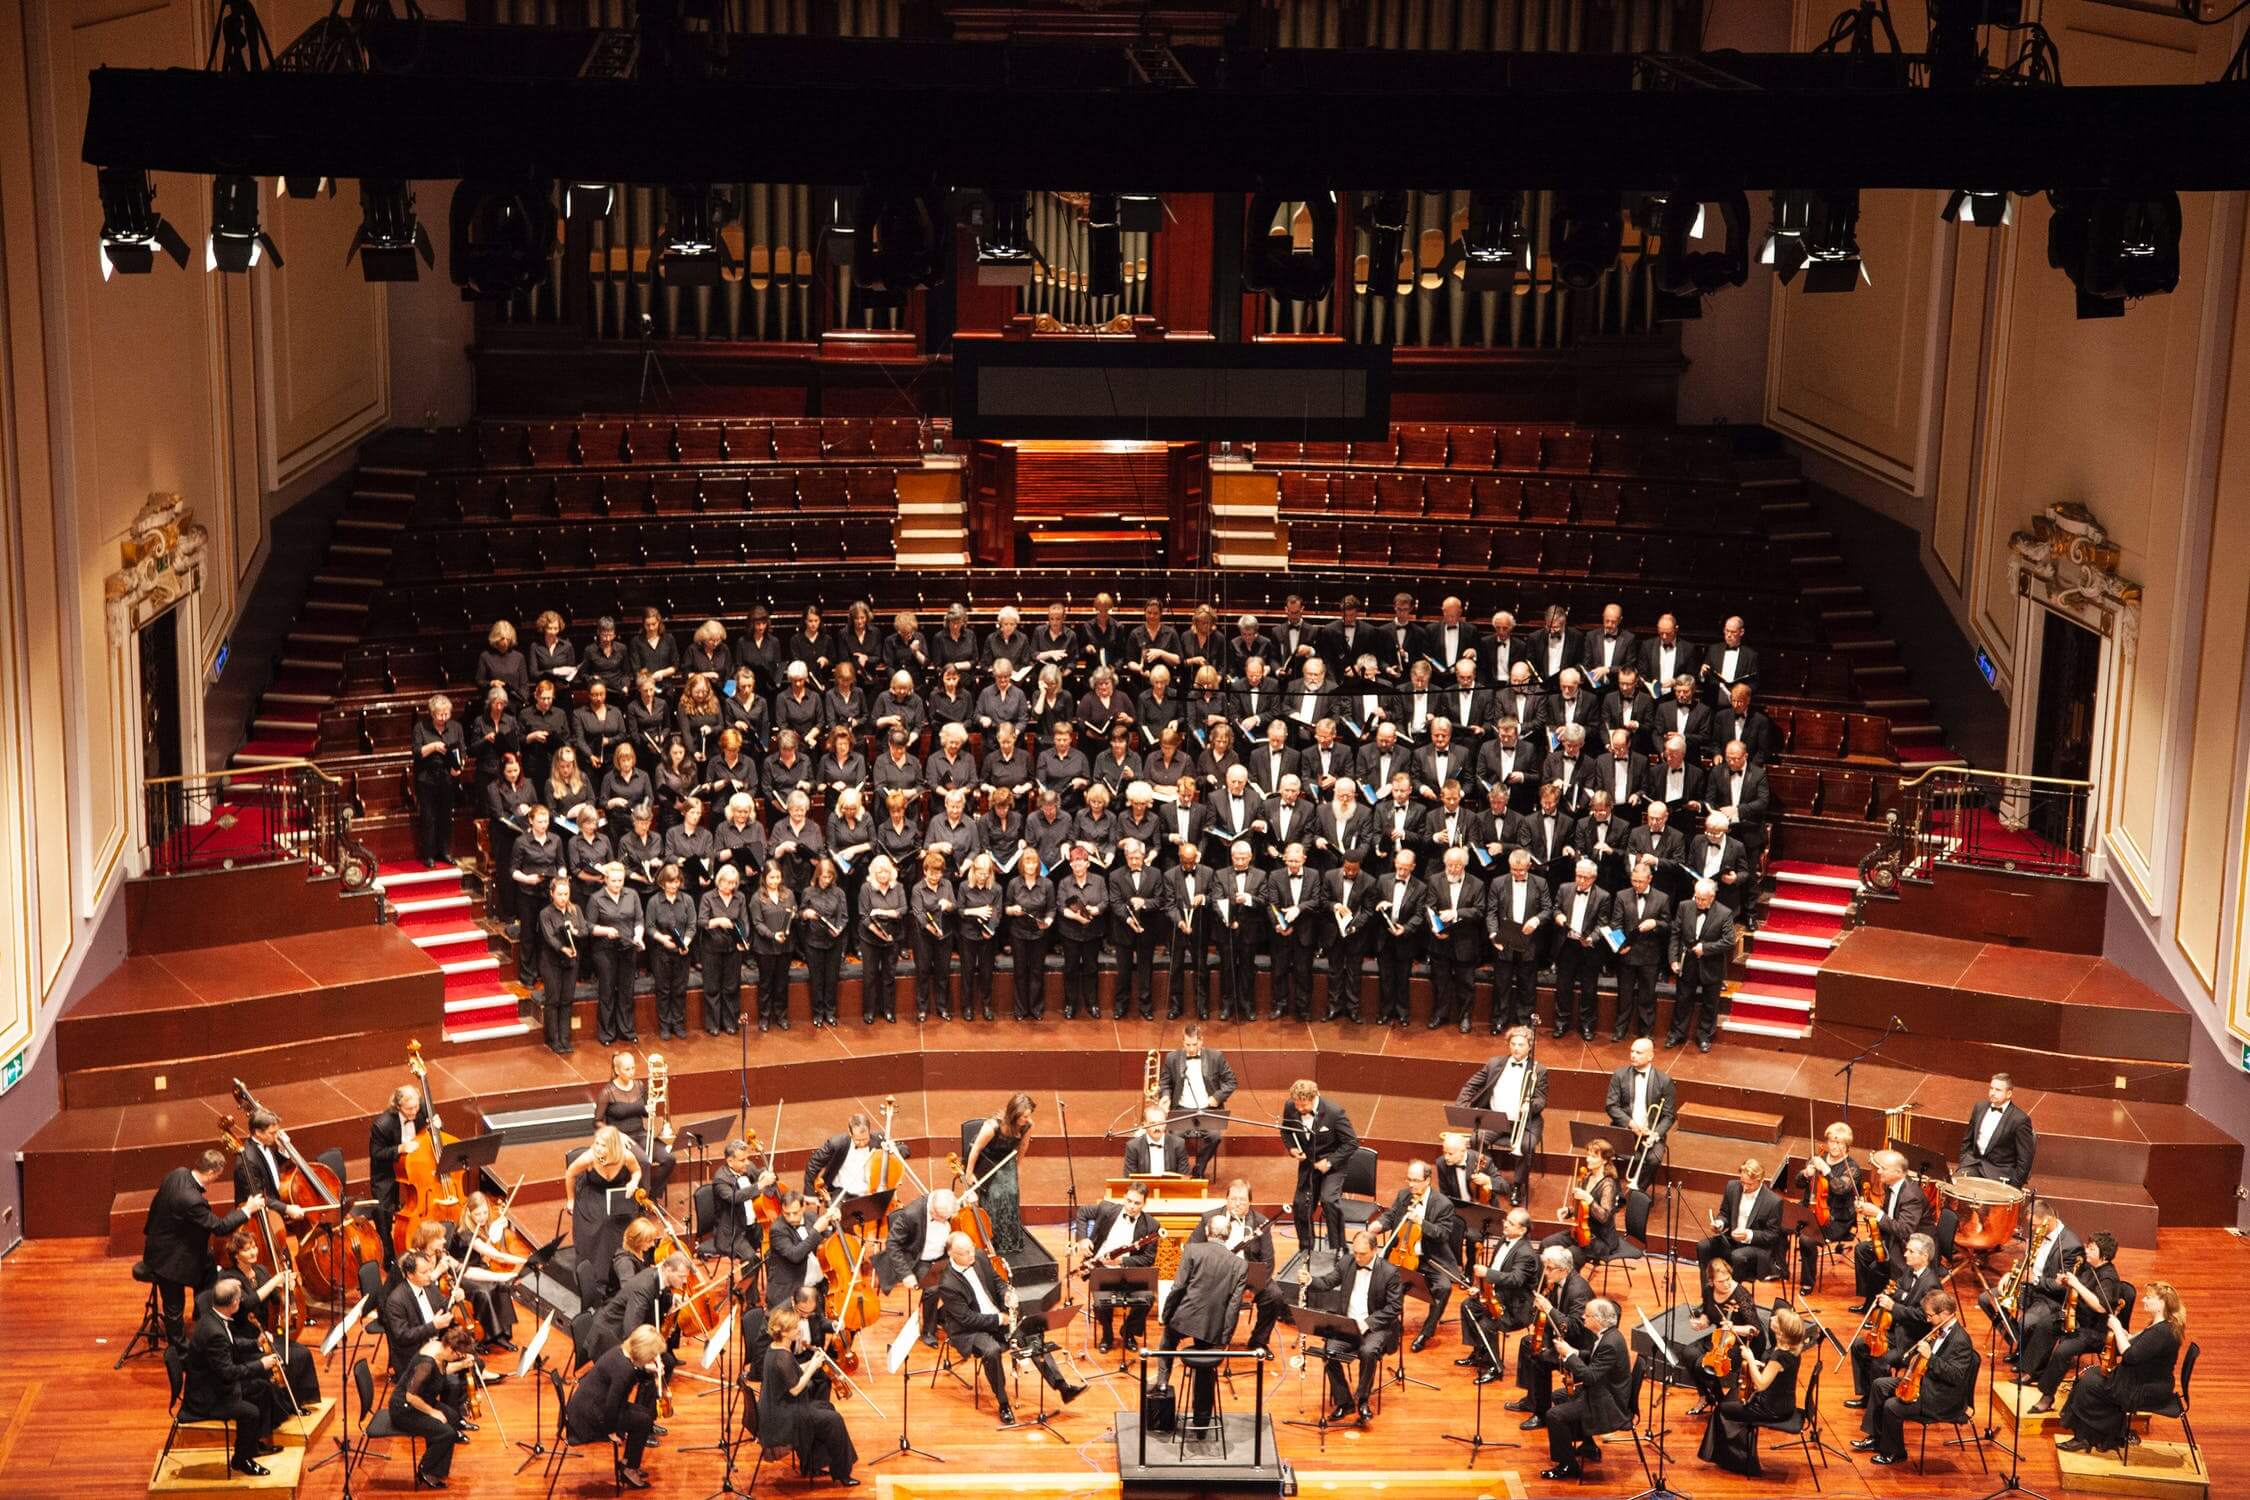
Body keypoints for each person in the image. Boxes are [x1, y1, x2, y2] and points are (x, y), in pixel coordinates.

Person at [933, 1232, 1086, 1425]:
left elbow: (997, 1281)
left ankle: (1062, 1387)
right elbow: (967, 1319)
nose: (972, 1254)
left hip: (997, 1316)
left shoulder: (979, 1256)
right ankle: (1003, 1403)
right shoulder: (948, 1284)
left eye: (972, 1248)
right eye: (965, 1253)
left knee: (1030, 1333)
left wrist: (1006, 1294)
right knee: (992, 1351)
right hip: (969, 1330)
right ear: (952, 1255)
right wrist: (999, 1319)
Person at [144, 1149, 260, 1346]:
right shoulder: (192, 1200)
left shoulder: (178, 1173)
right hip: (168, 1260)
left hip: (167, 1242)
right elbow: (219, 1227)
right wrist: (247, 1210)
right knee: (174, 1309)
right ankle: (179, 1351)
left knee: (209, 1272)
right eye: (218, 1175)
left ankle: (202, 1317)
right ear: (212, 1172)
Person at [2057, 1281, 2184, 1456]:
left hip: (2144, 1388)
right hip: (2143, 1379)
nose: (2144, 1300)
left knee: (2088, 1384)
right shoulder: (2161, 1326)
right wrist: (2127, 1336)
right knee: (2091, 1376)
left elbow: (2130, 1356)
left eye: (2149, 1297)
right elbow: (2142, 1347)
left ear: (2161, 1303)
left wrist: (2117, 1329)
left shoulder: (2162, 1332)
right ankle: (2108, 1434)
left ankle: (2086, 1438)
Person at [1853, 1290, 1979, 1466]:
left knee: (1892, 1406)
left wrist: (1931, 1358)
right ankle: (1876, 1438)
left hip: (1941, 1397)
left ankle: (1895, 1452)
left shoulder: (1960, 1341)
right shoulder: (1938, 1328)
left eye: (1929, 1316)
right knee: (1879, 1385)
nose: (1927, 1320)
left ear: (1944, 1313)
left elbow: (1956, 1377)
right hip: (1922, 1382)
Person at [181, 1278, 284, 1476]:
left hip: (215, 1383)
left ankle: (252, 1445)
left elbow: (230, 1343)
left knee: (262, 1388)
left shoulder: (213, 1316)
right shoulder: (214, 1332)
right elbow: (228, 1372)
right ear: (234, 1303)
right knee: (250, 1412)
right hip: (208, 1396)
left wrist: (255, 1344)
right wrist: (260, 1364)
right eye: (239, 1298)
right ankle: (241, 1459)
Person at [1302, 1229, 1403, 1426]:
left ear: (1375, 1250)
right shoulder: (1348, 1262)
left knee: (1368, 1351)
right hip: (1348, 1325)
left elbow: (1394, 1307)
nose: (1357, 1257)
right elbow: (1327, 1282)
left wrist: (1368, 1323)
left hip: (1375, 1327)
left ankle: (1363, 1400)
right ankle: (1344, 1401)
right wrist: (1310, 1280)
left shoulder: (1390, 1273)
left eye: (1362, 1254)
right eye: (1355, 1252)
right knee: (1328, 1352)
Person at [1698, 1305, 1806, 1477]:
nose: (1771, 1319)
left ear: (1782, 1331)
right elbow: (1776, 1374)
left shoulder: (1779, 1356)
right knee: (1734, 1396)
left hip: (1771, 1409)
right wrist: (1761, 1365)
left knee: (1722, 1409)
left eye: (1776, 1320)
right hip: (1784, 1403)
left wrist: (1749, 1358)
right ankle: (1736, 1456)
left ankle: (1737, 1462)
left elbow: (1761, 1384)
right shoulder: (1793, 1350)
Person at [760, 1304, 860, 1485]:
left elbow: (792, 1371)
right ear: (784, 1332)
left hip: (780, 1409)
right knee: (833, 1420)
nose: (798, 1329)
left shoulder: (776, 1349)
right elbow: (795, 1388)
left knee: (826, 1407)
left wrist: (812, 1362)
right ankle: (842, 1474)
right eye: (794, 1327)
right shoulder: (782, 1356)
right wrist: (813, 1367)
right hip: (782, 1418)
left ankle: (812, 1464)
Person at [1369, 1160, 1465, 1351]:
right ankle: (1392, 1323)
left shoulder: (1443, 1204)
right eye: (1409, 1179)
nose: (1411, 1184)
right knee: (1384, 1278)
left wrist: (1422, 1222)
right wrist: (1378, 1225)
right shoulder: (1404, 1195)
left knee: (1444, 1288)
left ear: (1427, 1180)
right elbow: (1391, 1216)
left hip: (1431, 1259)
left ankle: (1426, 1332)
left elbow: (1443, 1234)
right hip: (1403, 1255)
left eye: (1415, 1180)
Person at [1536, 1296, 1634, 1482]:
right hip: (1603, 1391)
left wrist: (1568, 1356)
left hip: (1608, 1402)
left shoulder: (1610, 1343)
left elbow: (1590, 1376)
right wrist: (1574, 1352)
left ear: (1598, 1319)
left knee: (1554, 1415)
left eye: (1586, 1315)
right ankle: (1588, 1445)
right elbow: (1594, 1359)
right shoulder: (1609, 1335)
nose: (1583, 1317)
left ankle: (1567, 1465)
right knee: (1559, 1395)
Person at [2027, 1231, 2124, 1411]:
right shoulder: (2088, 1268)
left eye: (2092, 1249)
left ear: (2104, 1254)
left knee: (2062, 1351)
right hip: (2076, 1318)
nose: (2086, 1250)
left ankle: (2047, 1398)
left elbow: (2101, 1306)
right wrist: (2066, 1282)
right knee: (2045, 1325)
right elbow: (2076, 1289)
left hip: (2094, 1330)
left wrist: (2077, 1285)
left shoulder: (2109, 1277)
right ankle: (2033, 1371)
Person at [1848, 1232, 1944, 1408]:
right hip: (1896, 1332)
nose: (1905, 1254)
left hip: (1910, 1341)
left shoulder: (1931, 1284)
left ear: (1924, 1256)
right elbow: (1897, 1288)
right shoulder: (1910, 1270)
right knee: (1859, 1346)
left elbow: (1923, 1316)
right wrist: (1893, 1296)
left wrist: (1894, 1307)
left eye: (1910, 1251)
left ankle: (1877, 1402)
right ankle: (1866, 1395)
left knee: (1880, 1360)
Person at [1162, 1234, 1248, 1430]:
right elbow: (1234, 1306)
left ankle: (1162, 1386)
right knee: (1205, 1368)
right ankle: (1202, 1421)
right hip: (1211, 1325)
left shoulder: (1192, 1250)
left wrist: (1167, 1315)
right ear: (1227, 1236)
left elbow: (1178, 1287)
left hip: (1184, 1318)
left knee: (1167, 1344)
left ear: (1208, 1232)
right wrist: (1224, 1339)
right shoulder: (1240, 1264)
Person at [565, 1323, 665, 1490]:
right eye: (653, 1355)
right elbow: (612, 1404)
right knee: (642, 1421)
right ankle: (629, 1469)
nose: (655, 1358)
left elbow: (621, 1393)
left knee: (645, 1416)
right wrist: (611, 1432)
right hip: (591, 1417)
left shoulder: (622, 1351)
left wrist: (649, 1370)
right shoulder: (623, 1370)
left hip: (591, 1405)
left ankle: (628, 1463)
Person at [1456, 1026, 1545, 1205]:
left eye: (1521, 1044)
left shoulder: (1539, 1070)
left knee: (1526, 1145)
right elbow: (1471, 1085)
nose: (1516, 1048)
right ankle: (1491, 1178)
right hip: (1496, 1120)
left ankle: (1517, 1186)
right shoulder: (1494, 1063)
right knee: (1477, 1138)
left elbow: (1541, 1099)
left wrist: (1531, 1105)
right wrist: (1462, 1106)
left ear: (1530, 1046)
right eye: (1513, 1044)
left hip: (1525, 1122)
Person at [1196, 1179, 1284, 1353]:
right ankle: (1212, 1339)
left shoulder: (1261, 1222)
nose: (1237, 1204)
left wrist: (1254, 1287)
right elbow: (1194, 1250)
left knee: (1275, 1296)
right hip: (1217, 1277)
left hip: (1249, 1279)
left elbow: (1268, 1260)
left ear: (1250, 1202)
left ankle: (1258, 1341)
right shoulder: (1209, 1218)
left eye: (1242, 1200)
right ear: (1226, 1199)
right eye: (1233, 1199)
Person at [389, 1324, 479, 1489]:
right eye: (458, 1355)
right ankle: (425, 1470)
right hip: (404, 1408)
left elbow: (442, 1371)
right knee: (446, 1432)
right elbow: (411, 1396)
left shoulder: (440, 1349)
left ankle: (438, 1468)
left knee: (452, 1418)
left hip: (423, 1399)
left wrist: (463, 1364)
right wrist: (433, 1412)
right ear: (451, 1350)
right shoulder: (426, 1364)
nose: (458, 1358)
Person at [1458, 1205, 1538, 1384]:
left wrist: (1487, 1273)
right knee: (1467, 1306)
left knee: (1487, 1324)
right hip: (1497, 1296)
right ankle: (1479, 1353)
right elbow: (1496, 1270)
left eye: (1511, 1223)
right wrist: (1481, 1289)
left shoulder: (1526, 1254)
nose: (1506, 1225)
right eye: (1506, 1221)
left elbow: (1515, 1280)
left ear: (1522, 1230)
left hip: (1515, 1307)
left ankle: (1496, 1367)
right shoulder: (1503, 1240)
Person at [565, 1125, 642, 1307]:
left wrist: (633, 1182)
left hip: (616, 1194)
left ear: (613, 1146)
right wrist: (570, 1200)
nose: (598, 1148)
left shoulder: (626, 1157)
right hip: (592, 1193)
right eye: (597, 1144)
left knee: (616, 1223)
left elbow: (637, 1171)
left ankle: (617, 1274)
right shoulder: (590, 1158)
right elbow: (570, 1174)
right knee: (601, 1224)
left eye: (603, 1145)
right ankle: (597, 1279)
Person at [1076, 1184, 1159, 1351]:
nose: (1131, 1206)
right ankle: (1107, 1334)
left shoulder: (1151, 1225)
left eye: (1137, 1203)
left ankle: (1128, 1332)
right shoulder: (1107, 1209)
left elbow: (1148, 1258)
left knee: (1148, 1300)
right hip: (1101, 1268)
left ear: (1144, 1204)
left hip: (1129, 1272)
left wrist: (1122, 1261)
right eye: (1129, 1201)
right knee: (1100, 1302)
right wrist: (1083, 1238)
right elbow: (1082, 1212)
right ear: (1124, 1198)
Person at [1281, 1079, 1359, 1254]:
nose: (1299, 1109)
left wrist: (1330, 1161)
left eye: (1304, 1105)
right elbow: (1285, 1130)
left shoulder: (1334, 1113)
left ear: (1314, 1097)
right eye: (1297, 1105)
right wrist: (1292, 1148)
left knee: (1329, 1200)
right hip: (1308, 1163)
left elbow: (1351, 1143)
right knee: (1301, 1204)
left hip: (1332, 1165)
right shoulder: (1290, 1106)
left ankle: (1339, 1247)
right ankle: (1306, 1248)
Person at [1852, 1150, 1932, 1309]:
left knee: (1878, 1266)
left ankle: (1887, 1306)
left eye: (1883, 1168)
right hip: (1894, 1237)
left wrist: (1877, 1213)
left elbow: (1905, 1230)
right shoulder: (1891, 1186)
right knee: (1862, 1250)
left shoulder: (1911, 1195)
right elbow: (1888, 1216)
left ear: (1898, 1172)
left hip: (1911, 1244)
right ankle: (1869, 1302)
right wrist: (1867, 1212)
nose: (1879, 1171)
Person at [1157, 1023, 1237, 1180]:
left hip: (1208, 1109)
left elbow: (1231, 1081)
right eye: (1188, 1044)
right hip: (1181, 1109)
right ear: (1182, 1042)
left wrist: (1217, 1097)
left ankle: (1199, 1167)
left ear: (1201, 1041)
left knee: (1215, 1137)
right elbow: (1164, 1082)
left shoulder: (1216, 1056)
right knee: (1175, 1137)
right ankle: (1182, 1171)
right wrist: (1165, 1096)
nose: (1191, 1049)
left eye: (1195, 1044)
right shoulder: (1172, 1058)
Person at [1667, 878, 1736, 1052]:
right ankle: (1677, 1033)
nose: (1698, 902)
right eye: (1696, 897)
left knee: (1710, 1003)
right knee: (1682, 999)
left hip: (1712, 965)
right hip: (1687, 962)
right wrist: (1673, 959)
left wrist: (1705, 948)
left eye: (1702, 899)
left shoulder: (1724, 912)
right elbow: (1676, 934)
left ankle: (1705, 1036)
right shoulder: (1684, 906)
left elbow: (1729, 941)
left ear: (1712, 897)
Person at [1796, 1121, 1864, 1293]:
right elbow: (1798, 1183)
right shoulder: (1817, 1158)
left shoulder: (1853, 1168)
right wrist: (1805, 1173)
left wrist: (1827, 1170)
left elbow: (1840, 1189)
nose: (1834, 1146)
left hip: (1835, 1219)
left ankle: (1807, 1282)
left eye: (1839, 1142)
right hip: (1810, 1208)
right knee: (1779, 1218)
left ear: (1846, 1145)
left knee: (1806, 1239)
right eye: (1831, 1141)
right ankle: (1777, 1268)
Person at [965, 1093, 1036, 1257]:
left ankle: (1009, 1242)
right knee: (995, 1195)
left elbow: (1023, 1148)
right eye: (1024, 1116)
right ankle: (992, 1240)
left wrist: (1017, 1168)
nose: (1027, 1119)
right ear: (1014, 1114)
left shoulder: (1028, 1125)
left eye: (1028, 1116)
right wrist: (969, 1173)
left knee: (1012, 1192)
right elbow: (976, 1149)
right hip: (987, 1161)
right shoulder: (992, 1127)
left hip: (1006, 1161)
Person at [596, 1051, 675, 1197]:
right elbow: (597, 1122)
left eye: (633, 1068)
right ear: (617, 1070)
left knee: (669, 1158)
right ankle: (642, 1204)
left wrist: (649, 1109)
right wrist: (617, 1135)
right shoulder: (607, 1092)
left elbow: (644, 1112)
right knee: (644, 1161)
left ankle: (651, 1195)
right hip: (622, 1139)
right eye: (627, 1069)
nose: (631, 1072)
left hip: (641, 1134)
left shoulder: (639, 1086)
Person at [1604, 1037, 1676, 1191]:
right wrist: (1631, 1124)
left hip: (1650, 1133)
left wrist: (1655, 1134)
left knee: (1654, 1159)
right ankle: (1615, 1194)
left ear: (1650, 1056)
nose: (1633, 1055)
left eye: (1638, 1052)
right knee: (1606, 1152)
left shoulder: (1664, 1081)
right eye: (1632, 1051)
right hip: (1625, 1129)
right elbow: (1611, 1106)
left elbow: (1669, 1115)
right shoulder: (1619, 1075)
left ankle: (1639, 1190)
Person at [1696, 1158, 1785, 1283]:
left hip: (1755, 1247)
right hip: (1732, 1241)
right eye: (1742, 1182)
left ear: (1760, 1181)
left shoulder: (1773, 1201)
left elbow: (1772, 1235)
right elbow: (1724, 1213)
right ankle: (1708, 1297)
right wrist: (1720, 1223)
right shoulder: (1732, 1187)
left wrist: (1748, 1234)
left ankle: (1733, 1297)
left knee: (1737, 1256)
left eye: (1749, 1184)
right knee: (1703, 1246)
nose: (1744, 1187)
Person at [367, 1084, 427, 1264]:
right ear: (398, 1106)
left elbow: (430, 1129)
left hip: (415, 1165)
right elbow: (376, 1153)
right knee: (383, 1210)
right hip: (386, 1169)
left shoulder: (421, 1108)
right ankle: (388, 1256)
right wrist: (400, 1148)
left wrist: (436, 1124)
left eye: (416, 1107)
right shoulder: (382, 1125)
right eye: (409, 1109)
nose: (414, 1111)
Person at [586, 863, 645, 1046]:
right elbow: (588, 926)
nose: (618, 884)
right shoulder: (596, 899)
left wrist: (638, 936)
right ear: (605, 879)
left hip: (627, 947)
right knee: (607, 991)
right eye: (614, 880)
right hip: (605, 949)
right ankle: (606, 1033)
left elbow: (639, 920)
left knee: (627, 991)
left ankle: (627, 1031)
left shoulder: (632, 895)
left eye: (620, 880)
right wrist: (605, 931)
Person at [1541, 1138, 1622, 1268]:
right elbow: (1584, 1210)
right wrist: (1569, 1211)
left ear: (1605, 1160)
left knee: (1567, 1257)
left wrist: (1589, 1198)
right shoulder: (1587, 1177)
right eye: (1588, 1155)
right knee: (1546, 1243)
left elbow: (1604, 1218)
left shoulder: (1608, 1185)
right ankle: (1545, 1284)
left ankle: (1567, 1285)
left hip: (1599, 1239)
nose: (1588, 1159)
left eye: (1593, 1156)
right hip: (1580, 1231)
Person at [411, 693, 467, 868]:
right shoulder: (420, 728)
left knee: (445, 815)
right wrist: (434, 746)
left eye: (446, 714)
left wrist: (459, 767)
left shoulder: (456, 727)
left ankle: (445, 851)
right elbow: (417, 752)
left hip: (447, 778)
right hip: (426, 778)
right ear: (432, 713)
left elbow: (462, 751)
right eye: (439, 714)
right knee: (428, 817)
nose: (443, 718)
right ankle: (428, 854)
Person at [1958, 1072, 2038, 1188]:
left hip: (1998, 1174)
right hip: (1972, 1165)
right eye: (1991, 1088)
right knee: (1953, 1191)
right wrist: (1964, 1161)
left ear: (2009, 1093)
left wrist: (2013, 1187)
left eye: (1998, 1090)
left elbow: (2025, 1160)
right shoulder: (1979, 1107)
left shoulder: (2020, 1120)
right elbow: (1967, 1140)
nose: (1993, 1093)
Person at [698, 862, 749, 1035]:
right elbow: (702, 921)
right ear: (719, 881)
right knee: (712, 987)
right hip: (712, 948)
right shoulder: (708, 897)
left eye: (734, 883)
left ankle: (730, 1022)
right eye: (727, 882)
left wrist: (743, 939)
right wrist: (718, 921)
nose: (731, 886)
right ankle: (713, 1024)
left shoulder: (740, 897)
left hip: (732, 948)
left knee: (731, 987)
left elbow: (744, 922)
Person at [799, 855, 849, 1027]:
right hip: (814, 941)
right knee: (817, 979)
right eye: (824, 877)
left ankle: (830, 1012)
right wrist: (806, 914)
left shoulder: (839, 892)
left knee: (832, 978)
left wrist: (839, 929)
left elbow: (844, 916)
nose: (827, 880)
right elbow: (801, 914)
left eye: (830, 877)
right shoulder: (808, 892)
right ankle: (818, 1013)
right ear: (818, 875)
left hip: (833, 941)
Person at [858, 853, 908, 1024]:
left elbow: (903, 910)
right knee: (870, 975)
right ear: (873, 873)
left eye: (886, 872)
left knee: (889, 975)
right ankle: (869, 1011)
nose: (883, 875)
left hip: (892, 938)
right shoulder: (866, 888)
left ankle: (888, 1010)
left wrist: (882, 912)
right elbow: (864, 916)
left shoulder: (898, 887)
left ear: (891, 873)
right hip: (870, 938)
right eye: (879, 872)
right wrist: (880, 934)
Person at [749, 861, 797, 1033]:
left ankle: (781, 1016)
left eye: (778, 877)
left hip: (785, 947)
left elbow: (793, 912)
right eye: (771, 877)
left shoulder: (789, 894)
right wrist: (772, 935)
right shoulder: (757, 898)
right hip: (766, 948)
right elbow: (757, 923)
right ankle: (764, 1017)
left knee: (782, 983)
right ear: (764, 878)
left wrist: (794, 915)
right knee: (766, 984)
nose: (775, 881)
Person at [1121, 1102, 1187, 1179]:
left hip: (1171, 1189)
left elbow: (1184, 1176)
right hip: (1143, 1189)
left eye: (1160, 1123)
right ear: (1144, 1124)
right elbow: (1129, 1178)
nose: (1157, 1128)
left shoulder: (1178, 1144)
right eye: (1153, 1123)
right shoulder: (1133, 1146)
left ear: (1166, 1124)